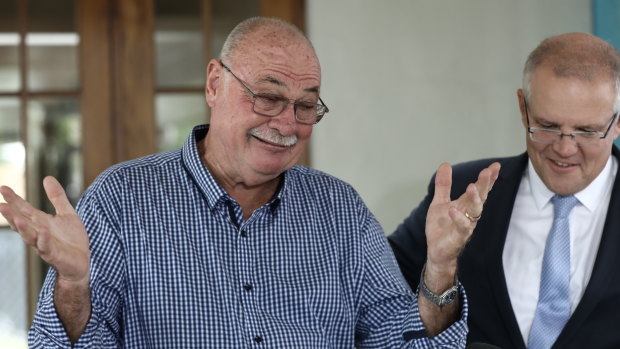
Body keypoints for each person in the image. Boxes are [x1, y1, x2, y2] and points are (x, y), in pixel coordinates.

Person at [0, 17, 499, 348]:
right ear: (215, 84)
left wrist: (439, 268)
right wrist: (73, 282)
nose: (287, 123)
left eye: (306, 105)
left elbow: (405, 342)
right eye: (267, 96)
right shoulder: (121, 199)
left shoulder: (340, 209)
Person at [389, 32, 620, 349]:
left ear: (617, 122)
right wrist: (440, 270)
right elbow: (378, 304)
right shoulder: (461, 190)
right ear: (523, 109)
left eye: (587, 131)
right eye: (548, 126)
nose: (565, 148)